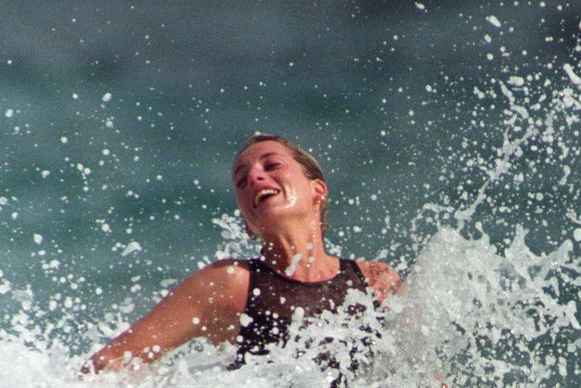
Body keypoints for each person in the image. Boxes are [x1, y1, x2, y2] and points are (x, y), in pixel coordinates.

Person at [82, 134, 401, 382]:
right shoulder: (228, 284)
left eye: (272, 165)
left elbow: (423, 375)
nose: (254, 178)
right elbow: (106, 365)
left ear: (317, 189)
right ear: (248, 225)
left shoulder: (375, 281)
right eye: (241, 180)